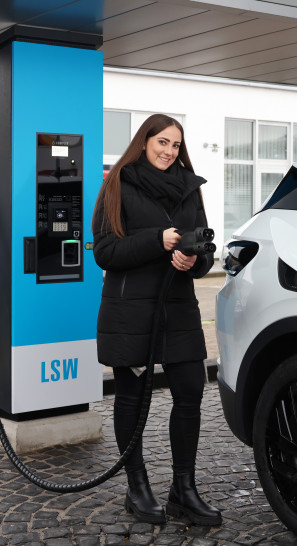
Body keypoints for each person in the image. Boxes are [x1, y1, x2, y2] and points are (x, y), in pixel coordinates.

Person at [91, 114, 221, 526]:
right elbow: (105, 252)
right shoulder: (118, 183)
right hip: (132, 310)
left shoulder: (189, 188)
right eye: (161, 142)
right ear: (144, 141)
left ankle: (184, 489)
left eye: (176, 145)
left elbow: (205, 250)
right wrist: (157, 241)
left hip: (178, 306)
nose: (168, 151)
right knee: (132, 398)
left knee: (190, 392)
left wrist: (193, 259)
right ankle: (138, 487)